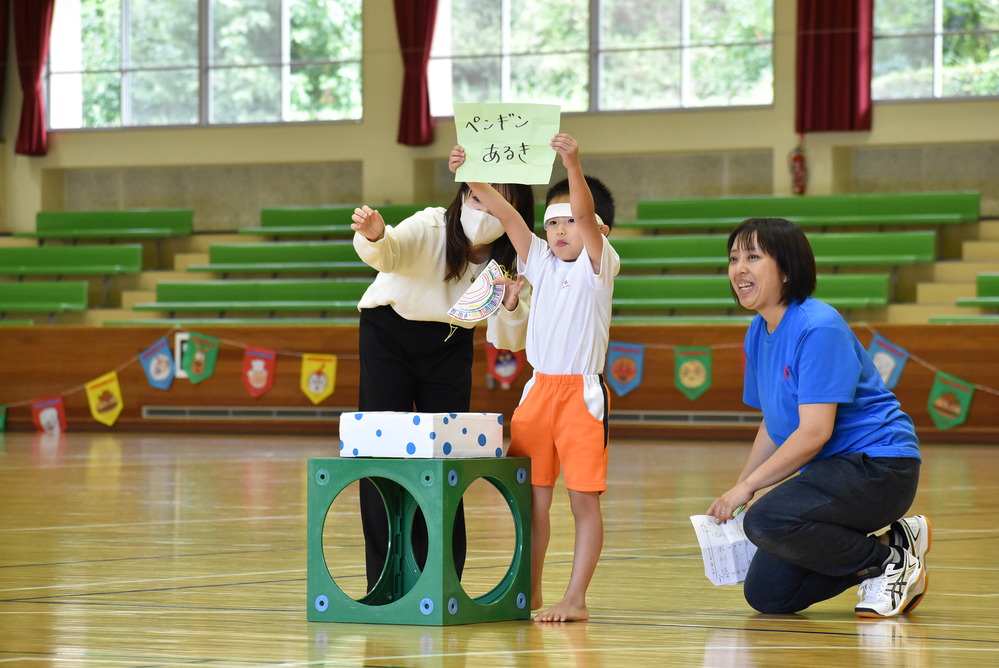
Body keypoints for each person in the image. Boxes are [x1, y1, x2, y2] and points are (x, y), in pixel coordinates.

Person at [707, 217, 930, 618]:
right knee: (769, 595)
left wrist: (750, 494)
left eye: (753, 257)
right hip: (834, 473)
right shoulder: (758, 331)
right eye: (733, 258)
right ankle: (894, 544)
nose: (738, 268)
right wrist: (742, 487)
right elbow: (775, 424)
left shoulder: (818, 326)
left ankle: (889, 562)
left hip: (880, 469)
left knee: (768, 520)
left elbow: (813, 433)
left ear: (788, 270)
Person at [454, 133, 619, 623]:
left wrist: (573, 162)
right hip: (538, 392)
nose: (561, 229)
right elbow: (507, 216)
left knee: (583, 502)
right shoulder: (540, 264)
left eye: (570, 220)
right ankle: (529, 588)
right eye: (553, 222)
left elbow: (585, 215)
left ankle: (577, 598)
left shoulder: (599, 264)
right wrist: (469, 175)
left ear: (598, 229)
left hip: (581, 398)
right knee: (531, 502)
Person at [350, 174, 535, 593]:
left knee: (446, 457)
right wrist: (377, 236)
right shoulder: (433, 224)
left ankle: (441, 578)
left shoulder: (516, 258)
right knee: (381, 454)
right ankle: (384, 581)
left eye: (495, 201)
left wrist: (509, 304)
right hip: (388, 331)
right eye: (475, 196)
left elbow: (511, 337)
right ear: (462, 195)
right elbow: (390, 252)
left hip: (452, 342)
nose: (482, 208)